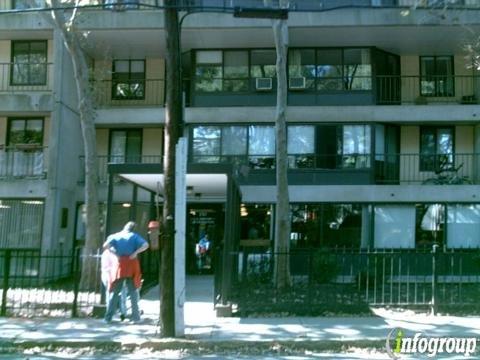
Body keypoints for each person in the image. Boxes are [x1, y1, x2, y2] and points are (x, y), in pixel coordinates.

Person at [103, 221, 149, 323]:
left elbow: (105, 245)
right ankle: (135, 318)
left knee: (114, 292)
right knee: (133, 293)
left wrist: (115, 253)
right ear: (133, 229)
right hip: (132, 264)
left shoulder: (116, 236)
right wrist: (135, 252)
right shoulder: (134, 236)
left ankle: (108, 318)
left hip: (120, 264)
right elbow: (146, 245)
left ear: (124, 227)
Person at [101, 248, 128, 321]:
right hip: (114, 275)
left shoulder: (107, 253)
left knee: (111, 295)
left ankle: (111, 314)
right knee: (121, 295)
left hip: (114, 275)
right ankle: (122, 313)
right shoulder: (120, 251)